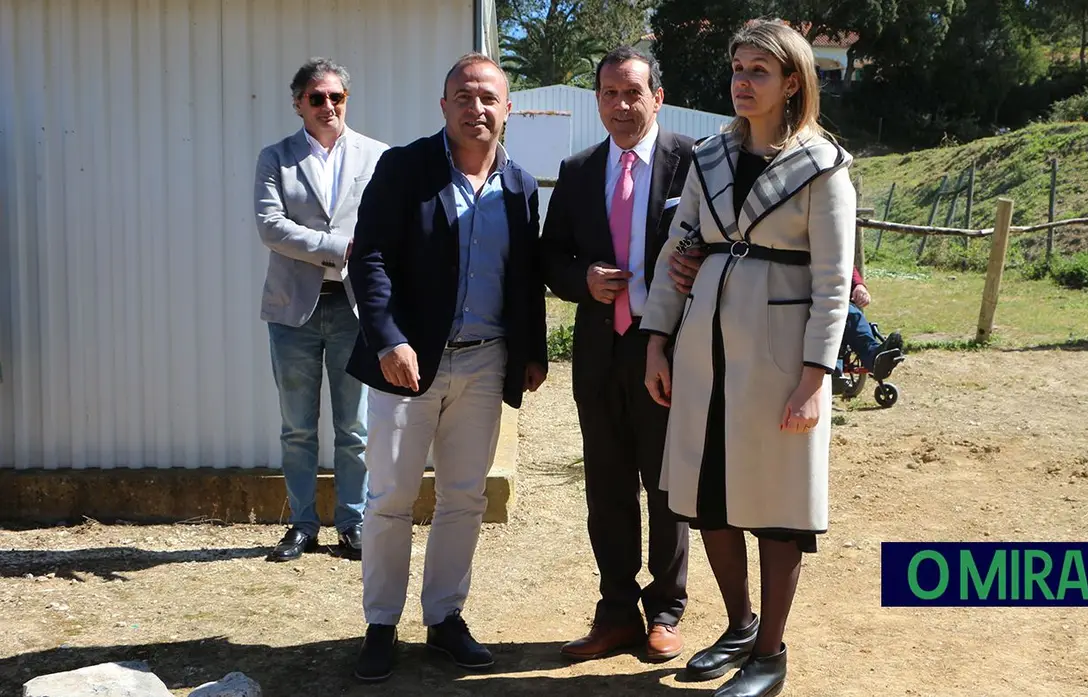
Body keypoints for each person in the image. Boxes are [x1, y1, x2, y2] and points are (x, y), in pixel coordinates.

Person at [641, 21, 855, 697]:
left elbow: (832, 283)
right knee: (710, 501)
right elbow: (678, 250)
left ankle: (770, 651)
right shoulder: (707, 157)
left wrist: (816, 379)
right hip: (704, 353)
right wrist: (656, 339)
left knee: (776, 506)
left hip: (780, 360)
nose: (742, 80)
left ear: (793, 81)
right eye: (737, 68)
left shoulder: (824, 166)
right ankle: (738, 624)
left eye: (759, 70)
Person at [345, 53, 548, 682]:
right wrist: (387, 338)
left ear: (507, 109)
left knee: (464, 497)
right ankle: (381, 624)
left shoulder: (518, 184)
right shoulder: (405, 168)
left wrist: (533, 350)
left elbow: (525, 276)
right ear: (444, 106)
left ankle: (444, 619)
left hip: (485, 364)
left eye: (489, 97)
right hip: (406, 365)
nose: (476, 107)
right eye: (463, 96)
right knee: (390, 498)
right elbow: (369, 255)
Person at [540, 46, 695, 663]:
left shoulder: (695, 162)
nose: (622, 105)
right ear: (597, 100)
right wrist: (584, 281)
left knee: (666, 484)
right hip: (599, 354)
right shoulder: (577, 170)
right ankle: (615, 611)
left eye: (634, 92)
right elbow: (551, 257)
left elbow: (719, 242)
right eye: (610, 93)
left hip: (669, 351)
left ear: (658, 95)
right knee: (606, 488)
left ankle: (665, 611)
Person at [253, 58, 389, 563]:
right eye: (317, 98)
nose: (328, 106)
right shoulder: (276, 158)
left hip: (356, 309)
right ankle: (302, 525)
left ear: (347, 100)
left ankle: (352, 523)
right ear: (298, 104)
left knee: (354, 428)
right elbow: (271, 227)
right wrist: (339, 247)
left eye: (336, 97)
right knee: (297, 427)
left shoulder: (378, 157)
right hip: (294, 310)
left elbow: (388, 224)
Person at [671, 258, 904, 381]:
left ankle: (874, 358)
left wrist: (859, 285)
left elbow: (841, 258)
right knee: (837, 313)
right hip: (786, 295)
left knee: (851, 314)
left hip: (822, 294)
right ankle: (833, 367)